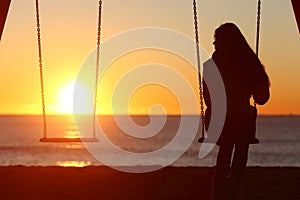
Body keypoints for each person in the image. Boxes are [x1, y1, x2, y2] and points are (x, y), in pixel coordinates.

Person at [203, 23, 270, 200]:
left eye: (217, 40)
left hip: (221, 119)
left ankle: (219, 194)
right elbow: (262, 98)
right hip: (241, 119)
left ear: (225, 42)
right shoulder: (249, 63)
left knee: (225, 150)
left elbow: (207, 98)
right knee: (239, 148)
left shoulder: (211, 65)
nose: (213, 43)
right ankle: (232, 191)